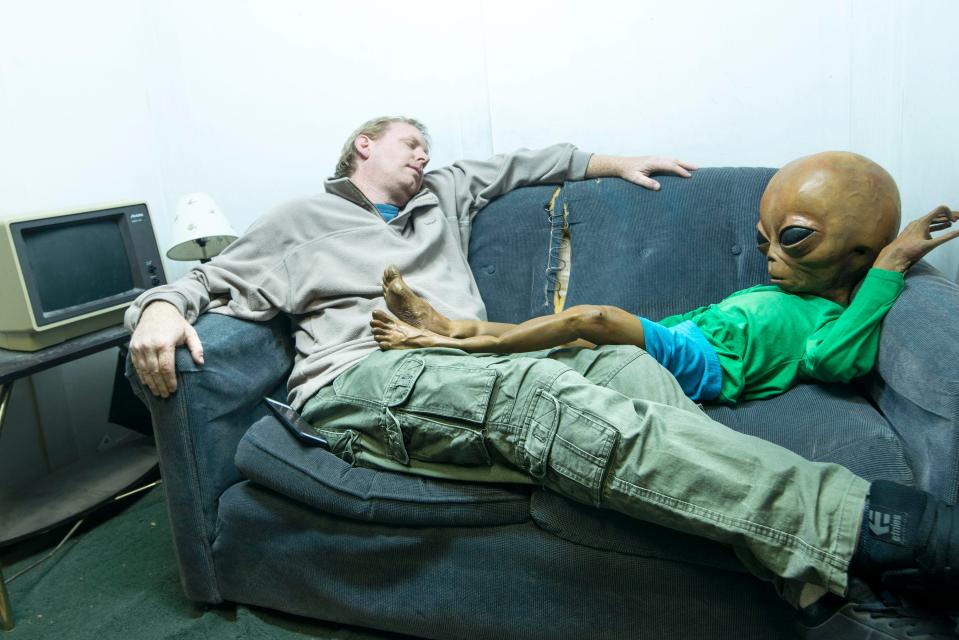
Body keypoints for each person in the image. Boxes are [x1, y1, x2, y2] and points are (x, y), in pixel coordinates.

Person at [126, 116, 958, 638]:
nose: (425, 153)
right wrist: (159, 310)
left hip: (466, 354)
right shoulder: (296, 219)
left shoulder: (441, 197)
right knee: (545, 398)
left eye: (428, 146)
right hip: (365, 378)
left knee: (623, 359)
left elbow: (524, 165)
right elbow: (206, 280)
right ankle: (877, 528)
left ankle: (800, 566)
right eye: (409, 141)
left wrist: (613, 159)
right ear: (362, 146)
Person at [369, 151, 959, 405]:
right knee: (558, 338)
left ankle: (441, 345)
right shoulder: (780, 290)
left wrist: (893, 262)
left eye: (794, 239)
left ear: (858, 252)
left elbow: (833, 360)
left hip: (707, 371)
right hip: (684, 339)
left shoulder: (832, 320)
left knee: (589, 320)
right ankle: (449, 327)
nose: (771, 258)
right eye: (764, 241)